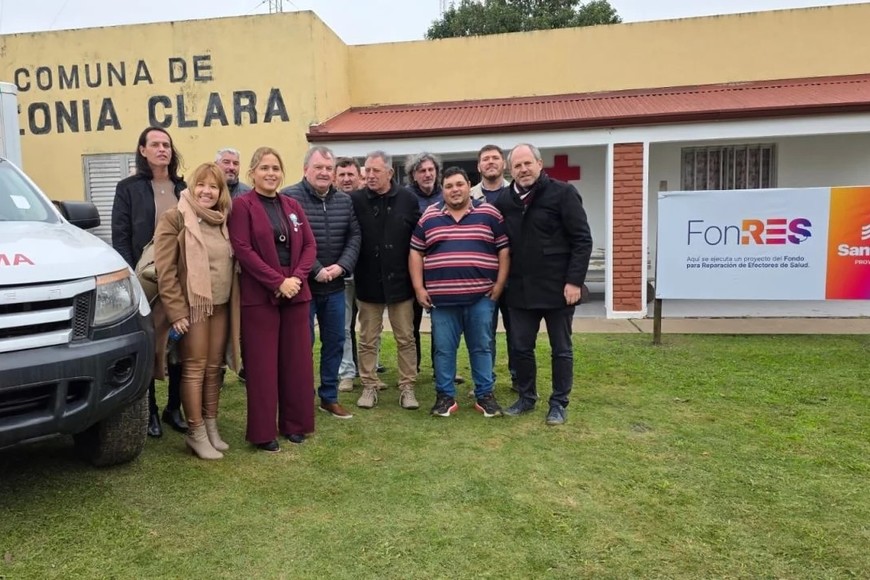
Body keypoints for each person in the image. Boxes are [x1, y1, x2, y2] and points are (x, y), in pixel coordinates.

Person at [494, 143, 593, 426]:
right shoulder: (503, 200)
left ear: (539, 164)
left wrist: (574, 281)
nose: (523, 170)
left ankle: (559, 403)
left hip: (558, 289)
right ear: (510, 170)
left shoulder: (563, 193)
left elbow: (582, 240)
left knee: (561, 348)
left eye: (528, 163)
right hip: (520, 290)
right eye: (517, 166)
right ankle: (526, 397)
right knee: (521, 347)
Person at [227, 147, 316, 452]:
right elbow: (243, 249)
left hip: (295, 292)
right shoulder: (242, 206)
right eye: (264, 168)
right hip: (260, 295)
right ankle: (264, 432)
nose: (271, 173)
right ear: (252, 173)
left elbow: (309, 246)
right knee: (263, 367)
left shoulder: (292, 205)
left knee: (297, 363)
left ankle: (295, 424)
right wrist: (277, 281)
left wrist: (294, 280)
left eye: (276, 168)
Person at [154, 163, 238, 459]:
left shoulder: (222, 219)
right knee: (194, 368)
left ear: (220, 192)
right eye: (201, 185)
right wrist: (177, 313)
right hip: (194, 307)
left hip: (221, 305)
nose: (207, 191)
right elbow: (165, 272)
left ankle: (211, 426)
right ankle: (195, 432)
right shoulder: (175, 218)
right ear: (191, 186)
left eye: (213, 187)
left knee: (215, 368)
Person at [409, 167, 509, 418]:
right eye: (449, 186)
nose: (455, 190)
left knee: (482, 347)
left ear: (468, 185)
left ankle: (485, 395)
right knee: (443, 349)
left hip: (480, 299)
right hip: (442, 301)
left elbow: (504, 250)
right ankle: (445, 397)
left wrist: (499, 284)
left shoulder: (489, 214)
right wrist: (419, 288)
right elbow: (415, 252)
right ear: (443, 190)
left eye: (459, 184)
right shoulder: (429, 216)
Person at [111, 126, 186, 438]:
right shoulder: (128, 188)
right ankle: (151, 409)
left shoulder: (183, 187)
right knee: (151, 341)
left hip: (181, 275)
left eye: (166, 144)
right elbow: (121, 237)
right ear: (142, 150)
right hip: (146, 278)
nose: (162, 149)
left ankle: (174, 407)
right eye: (154, 144)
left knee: (181, 340)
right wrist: (130, 278)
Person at [282, 147, 360, 420]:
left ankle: (329, 397)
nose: (325, 172)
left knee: (336, 341)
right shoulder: (290, 198)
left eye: (329, 168)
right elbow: (294, 241)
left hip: (335, 286)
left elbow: (354, 236)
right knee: (303, 344)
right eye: (319, 167)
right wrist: (315, 270)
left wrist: (341, 266)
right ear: (306, 169)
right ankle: (303, 398)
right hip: (304, 288)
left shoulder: (344, 201)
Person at [350, 150, 421, 410]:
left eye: (375, 171)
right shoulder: (354, 200)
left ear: (390, 173)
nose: (369, 175)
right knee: (368, 338)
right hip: (368, 281)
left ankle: (407, 387)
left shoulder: (408, 199)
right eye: (366, 170)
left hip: (400, 283)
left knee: (406, 338)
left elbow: (418, 240)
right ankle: (369, 385)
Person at [403, 152, 463, 385]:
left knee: (443, 325)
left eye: (431, 170)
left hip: (442, 271)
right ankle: (413, 367)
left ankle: (444, 368)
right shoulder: (405, 198)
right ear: (413, 175)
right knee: (412, 323)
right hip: (414, 269)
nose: (427, 174)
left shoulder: (445, 194)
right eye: (422, 171)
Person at [334, 157, 387, 393]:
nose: (347, 179)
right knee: (343, 327)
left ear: (360, 177)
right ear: (336, 178)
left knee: (370, 326)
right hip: (340, 275)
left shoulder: (369, 200)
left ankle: (371, 370)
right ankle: (346, 373)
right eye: (342, 174)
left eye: (351, 174)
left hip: (367, 274)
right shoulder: (332, 202)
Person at [470, 144, 517, 392]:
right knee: (483, 334)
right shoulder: (467, 196)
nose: (490, 162)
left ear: (504, 164)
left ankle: (518, 378)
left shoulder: (517, 192)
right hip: (482, 278)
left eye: (495, 158)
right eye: (485, 159)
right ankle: (485, 380)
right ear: (479, 166)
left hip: (515, 275)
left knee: (517, 332)